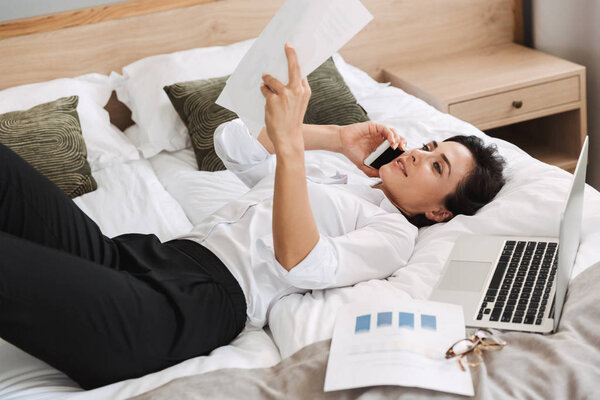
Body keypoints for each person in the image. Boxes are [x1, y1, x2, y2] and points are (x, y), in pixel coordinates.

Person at [0, 43, 505, 389]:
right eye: (430, 146)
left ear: (439, 210)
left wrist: (292, 150)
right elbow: (235, 143)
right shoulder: (341, 172)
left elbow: (301, 262)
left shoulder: (392, 235)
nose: (419, 154)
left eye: (437, 165)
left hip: (184, 308)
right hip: (140, 255)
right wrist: (334, 137)